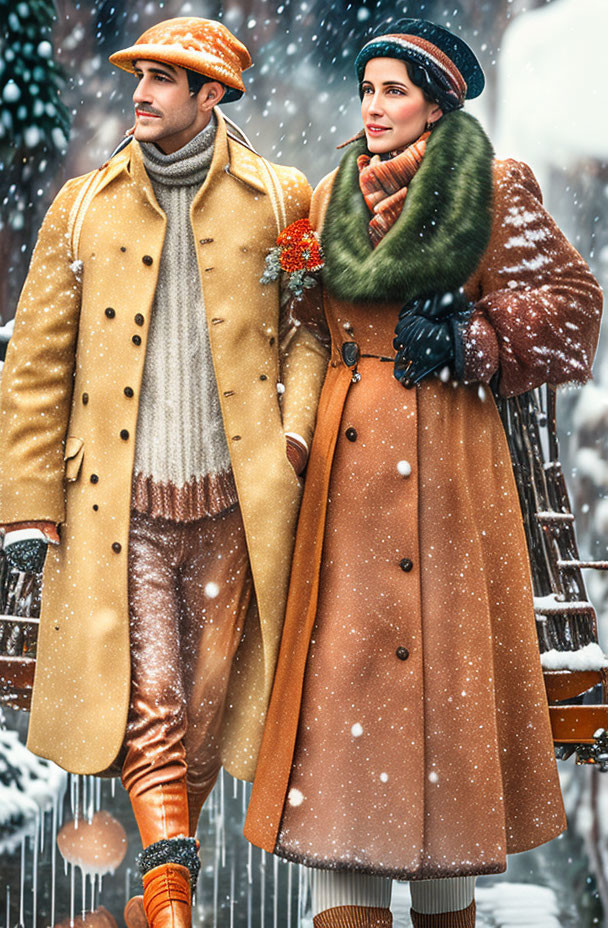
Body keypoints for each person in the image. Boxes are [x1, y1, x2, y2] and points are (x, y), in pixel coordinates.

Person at [244, 18, 603, 928]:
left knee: (442, 733)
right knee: (341, 746)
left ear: (436, 103)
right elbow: (291, 307)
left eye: (394, 90)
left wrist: (477, 337)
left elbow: (573, 308)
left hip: (449, 479)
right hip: (345, 489)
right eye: (367, 90)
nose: (374, 107)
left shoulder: (493, 189)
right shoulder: (325, 200)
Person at [0, 17, 327, 928]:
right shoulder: (83, 205)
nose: (139, 93)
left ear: (210, 95)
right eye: (137, 76)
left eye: (160, 81)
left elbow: (311, 334)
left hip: (235, 507)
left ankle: (163, 880)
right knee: (153, 703)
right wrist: (27, 505)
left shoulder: (281, 198)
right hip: (120, 509)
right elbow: (34, 367)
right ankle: (174, 903)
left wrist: (291, 443)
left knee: (208, 712)